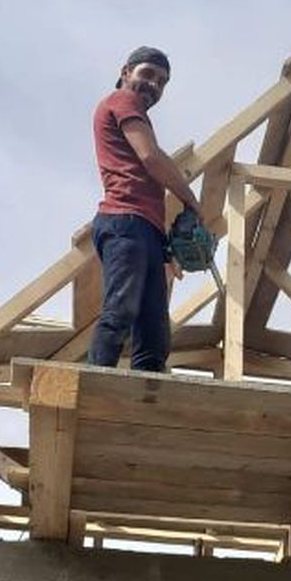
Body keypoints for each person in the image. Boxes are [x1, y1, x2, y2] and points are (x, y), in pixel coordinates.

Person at [87, 46, 203, 372]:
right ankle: (96, 379)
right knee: (121, 310)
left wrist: (166, 246)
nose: (154, 85)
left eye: (162, 81)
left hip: (147, 230)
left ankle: (147, 396)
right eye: (147, 74)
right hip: (124, 220)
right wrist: (190, 199)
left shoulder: (139, 118)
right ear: (126, 73)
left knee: (154, 332)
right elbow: (150, 157)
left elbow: (154, 155)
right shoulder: (121, 101)